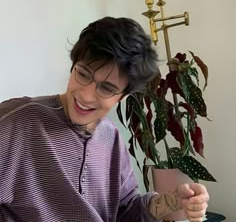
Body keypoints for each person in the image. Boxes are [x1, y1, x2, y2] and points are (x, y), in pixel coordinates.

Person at [0, 16, 209, 222]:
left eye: (107, 88)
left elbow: (126, 210)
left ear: (123, 96)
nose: (86, 96)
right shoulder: (17, 122)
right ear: (74, 64)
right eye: (82, 74)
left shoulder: (112, 139)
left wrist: (172, 201)